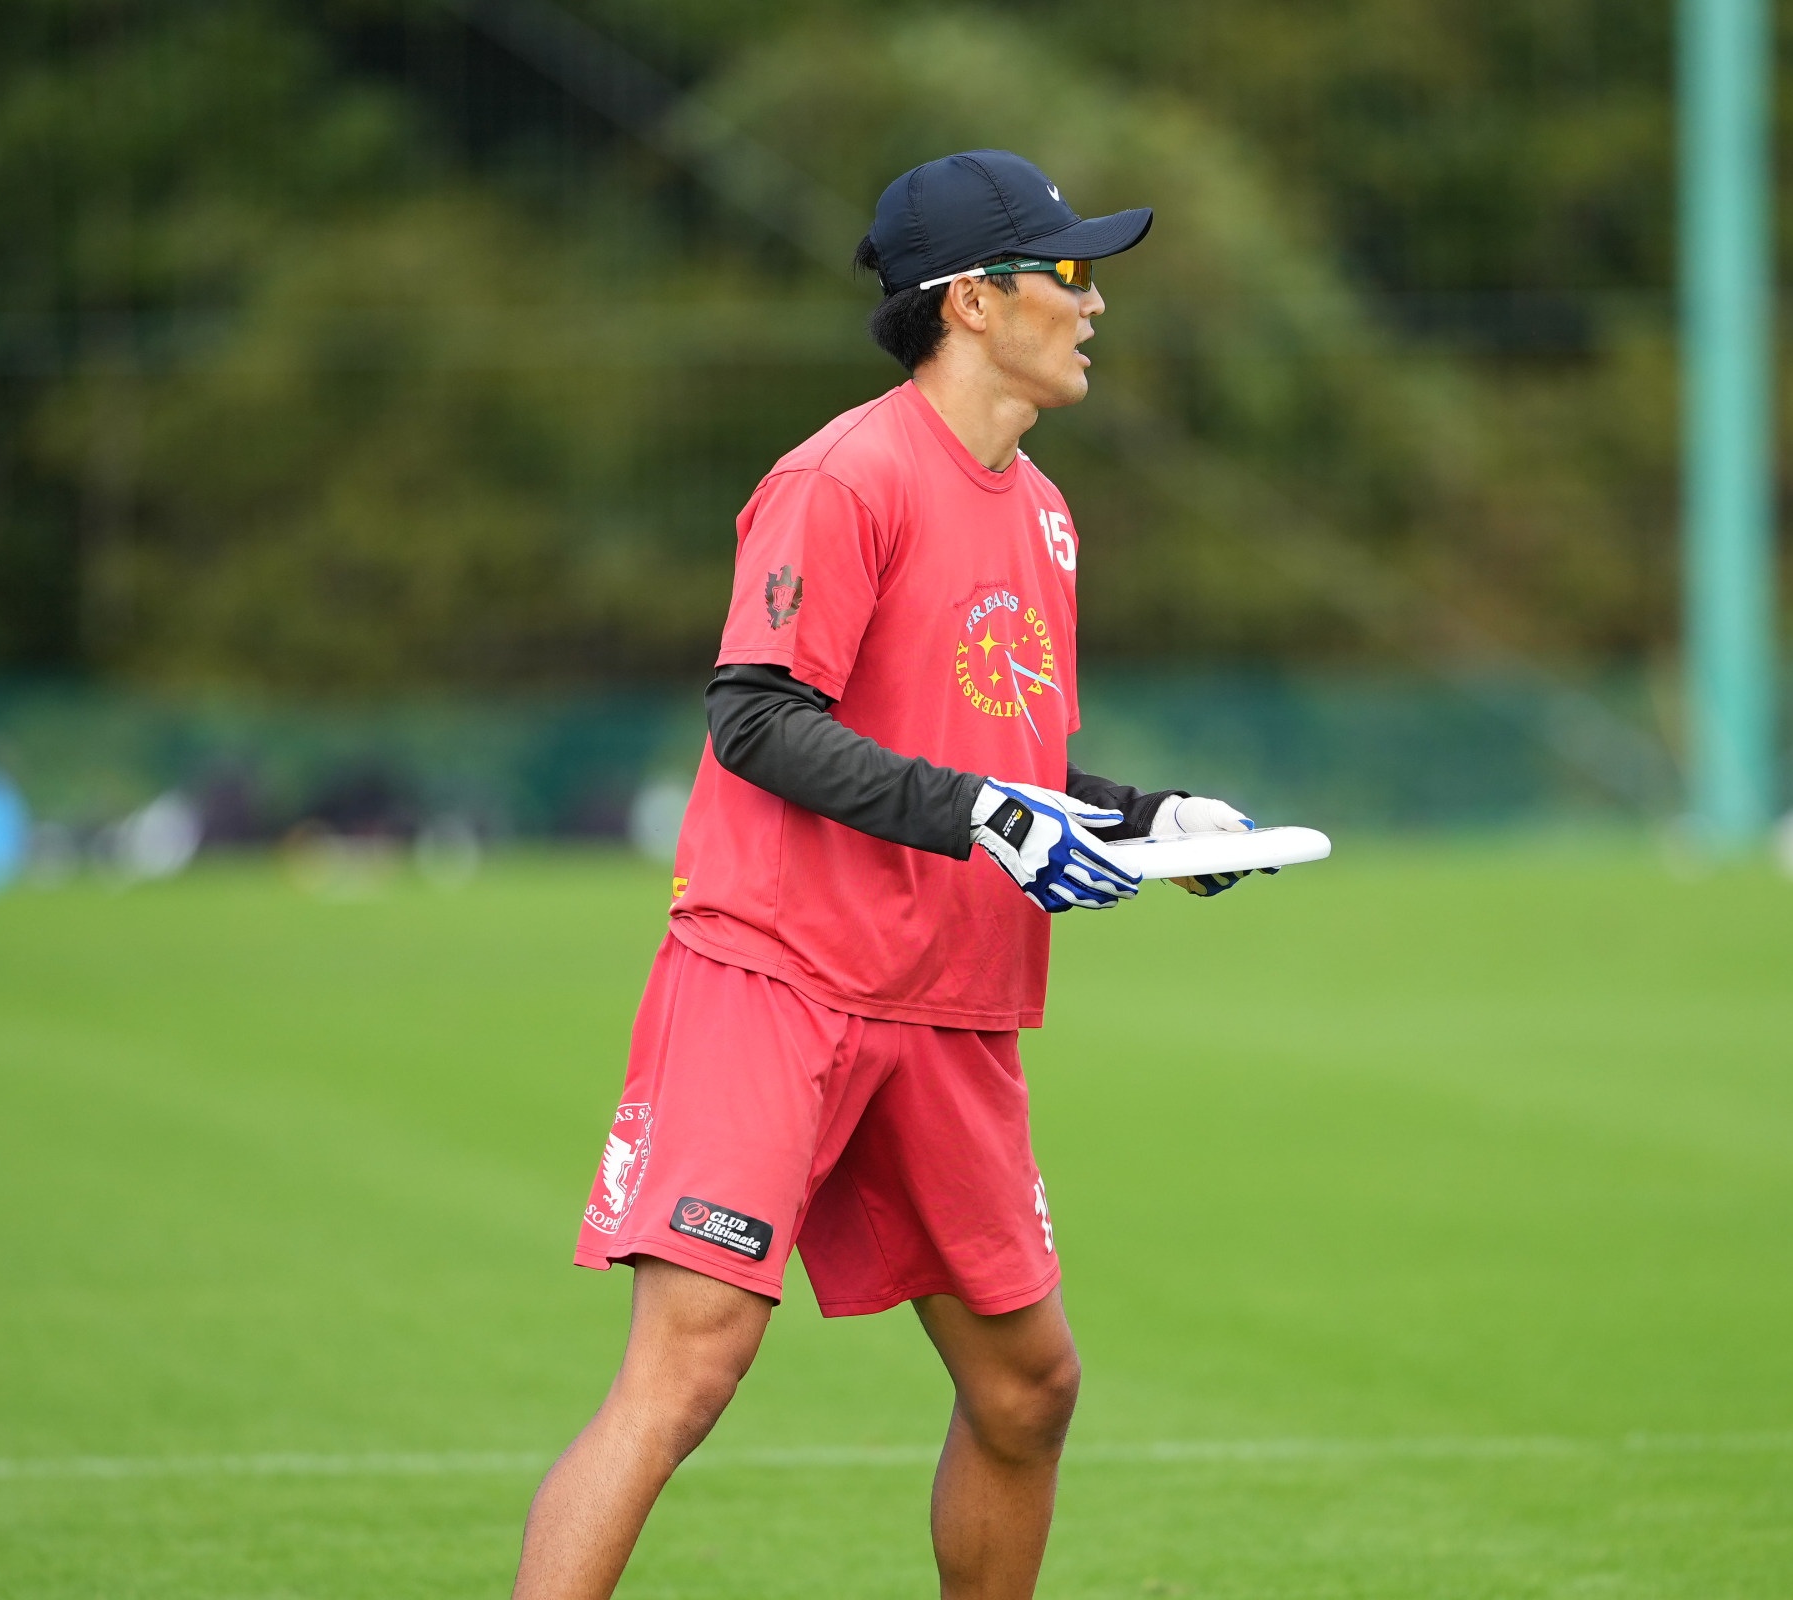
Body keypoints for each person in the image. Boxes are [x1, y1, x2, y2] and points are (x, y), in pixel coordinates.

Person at [513, 150, 1262, 1600]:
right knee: (687, 1373)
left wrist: (1156, 821)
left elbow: (1005, 763)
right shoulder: (842, 475)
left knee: (1028, 1390)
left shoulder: (1044, 512)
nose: (1094, 304)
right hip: (778, 976)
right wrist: (988, 815)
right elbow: (756, 716)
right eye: (1069, 273)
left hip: (950, 1000)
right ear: (972, 301)